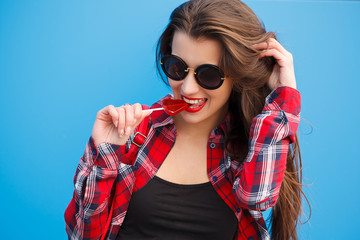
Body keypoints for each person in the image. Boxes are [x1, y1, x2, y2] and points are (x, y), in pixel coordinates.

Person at [65, 0, 308, 239]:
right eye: (177, 67)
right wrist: (106, 154)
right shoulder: (130, 133)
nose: (188, 88)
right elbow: (81, 235)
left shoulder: (252, 146)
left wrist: (283, 100)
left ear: (238, 74)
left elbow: (258, 197)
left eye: (209, 74)